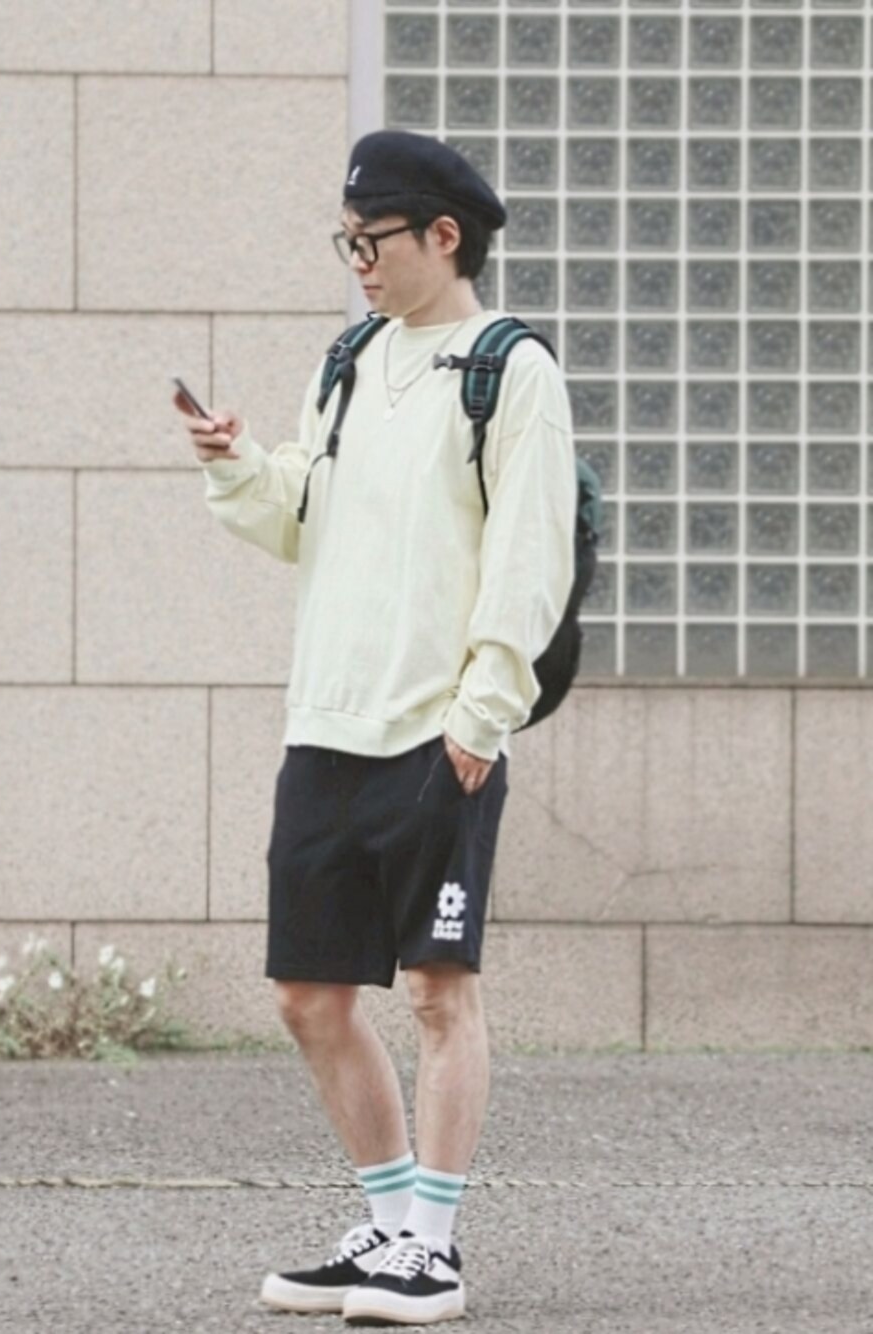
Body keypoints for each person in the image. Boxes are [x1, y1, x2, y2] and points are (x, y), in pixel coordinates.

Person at [175, 130, 577, 1326]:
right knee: (309, 994)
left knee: (439, 991)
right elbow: (306, 514)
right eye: (344, 241)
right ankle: (389, 1225)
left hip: (437, 729)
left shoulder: (509, 371)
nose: (355, 260)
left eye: (372, 240)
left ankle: (433, 1249)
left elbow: (529, 554)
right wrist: (239, 463)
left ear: (442, 236)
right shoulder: (348, 359)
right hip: (327, 722)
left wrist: (481, 715)